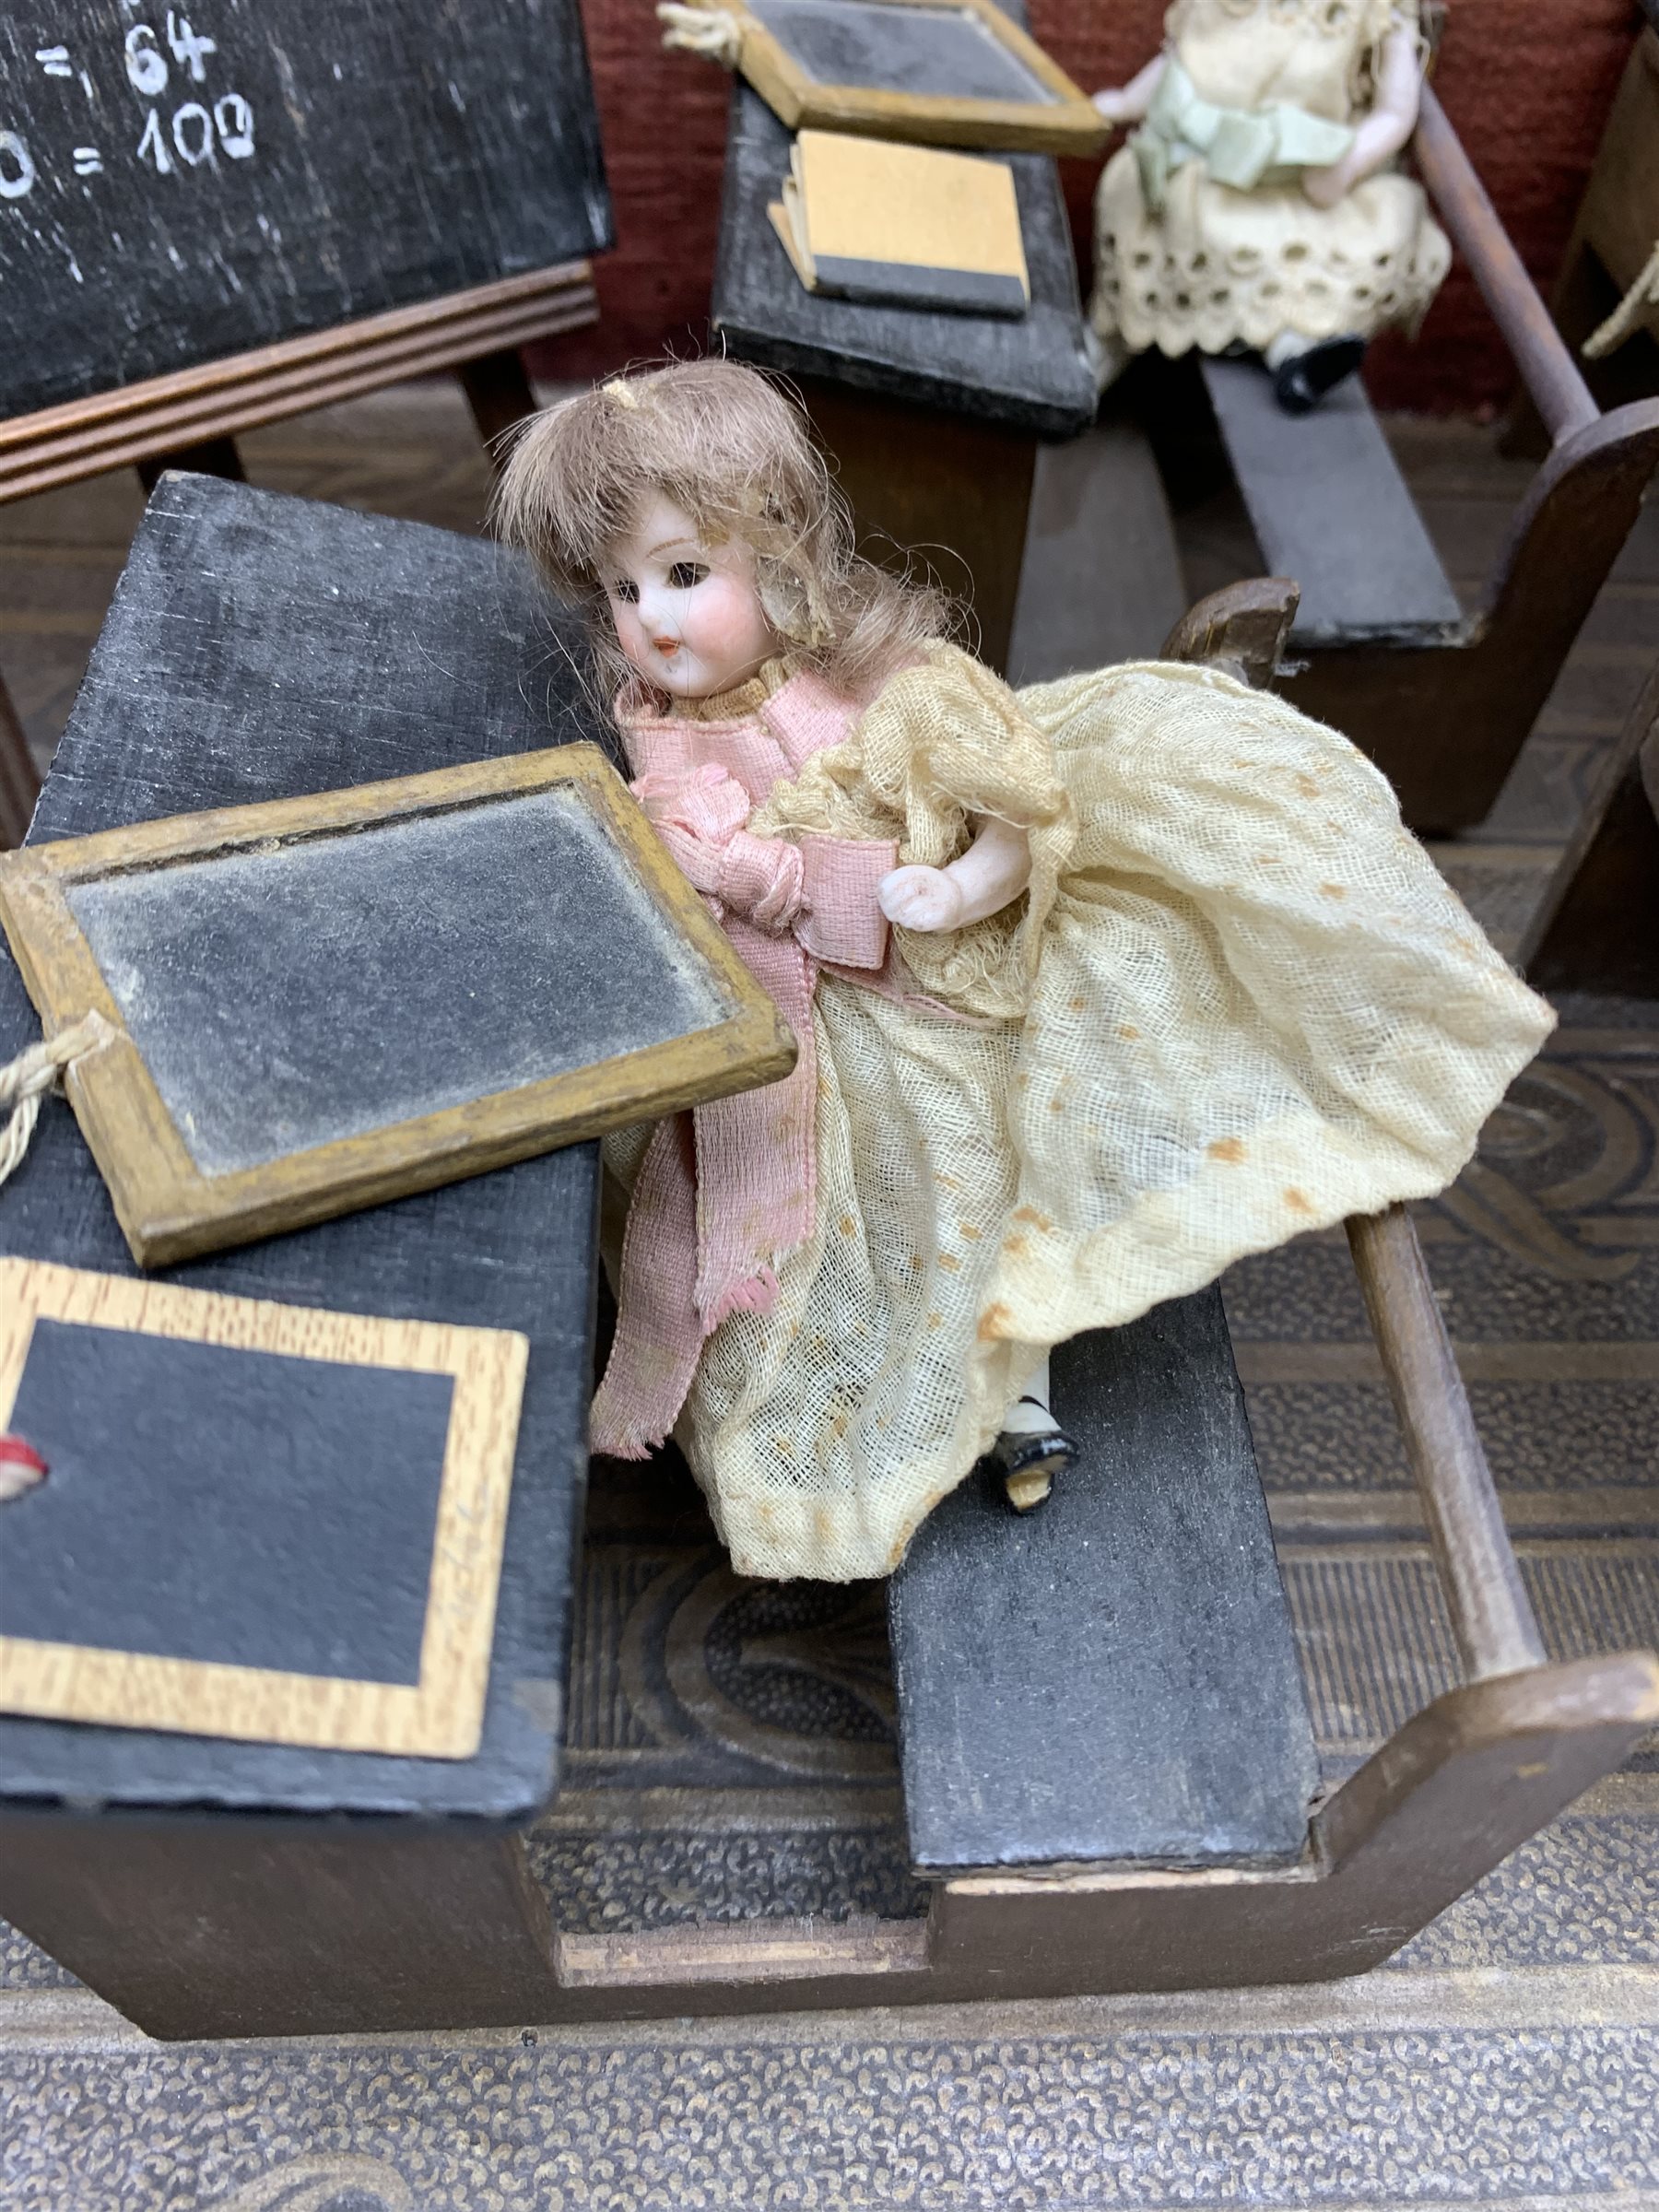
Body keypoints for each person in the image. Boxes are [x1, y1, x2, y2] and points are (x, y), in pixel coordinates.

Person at [494, 359, 1549, 1582]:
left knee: (974, 1162)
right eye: (625, 590)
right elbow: (687, 851)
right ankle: (918, 1399)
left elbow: (1014, 813)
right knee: (809, 1233)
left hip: (933, 978)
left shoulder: (882, 688)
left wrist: (952, 886)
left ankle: (1019, 1379)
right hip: (784, 1015)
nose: (655, 619)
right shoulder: (656, 729)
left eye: (685, 574)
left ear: (777, 553)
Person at [1089, 0, 1450, 411]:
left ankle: (1295, 358)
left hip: (1294, 187)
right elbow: (1181, 59)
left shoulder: (1377, 11)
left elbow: (1395, 111)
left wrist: (1350, 165)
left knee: (1297, 269)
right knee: (1143, 217)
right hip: (1198, 168)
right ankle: (1105, 341)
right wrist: (1125, 100)